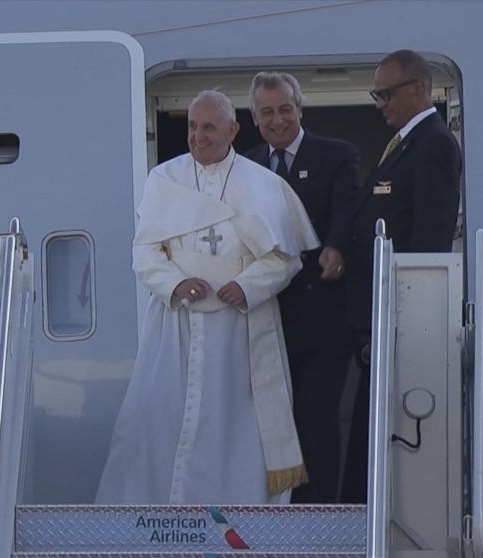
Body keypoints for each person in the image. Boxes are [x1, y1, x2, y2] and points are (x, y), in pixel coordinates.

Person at [96, 90, 320, 504]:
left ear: (232, 130)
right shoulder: (164, 179)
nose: (198, 136)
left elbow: (285, 259)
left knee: (234, 427)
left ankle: (239, 519)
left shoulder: (263, 184)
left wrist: (248, 285)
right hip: (176, 325)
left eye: (209, 127)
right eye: (192, 127)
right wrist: (175, 283)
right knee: (157, 418)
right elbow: (144, 252)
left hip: (240, 331)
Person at [341, 50, 462, 503]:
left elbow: (429, 238)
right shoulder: (406, 143)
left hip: (399, 319)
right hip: (380, 317)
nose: (380, 103)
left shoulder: (432, 143)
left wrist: (400, 318)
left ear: (418, 88)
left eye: (386, 93)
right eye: (377, 94)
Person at [244, 71, 360, 503]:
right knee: (269, 424)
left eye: (285, 109)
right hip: (264, 322)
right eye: (268, 112)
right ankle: (273, 514)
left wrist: (335, 248)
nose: (278, 120)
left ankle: (319, 516)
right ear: (255, 118)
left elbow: (349, 212)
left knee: (315, 423)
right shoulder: (245, 165)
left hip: (322, 323)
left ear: (300, 108)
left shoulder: (335, 155)